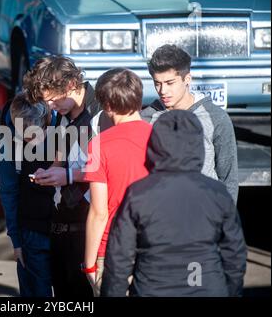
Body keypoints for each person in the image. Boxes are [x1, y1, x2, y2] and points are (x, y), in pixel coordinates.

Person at [101, 110, 247, 297]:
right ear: (197, 145)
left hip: (152, 289)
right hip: (206, 287)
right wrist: (231, 291)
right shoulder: (217, 194)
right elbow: (235, 254)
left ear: (154, 145)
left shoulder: (138, 194)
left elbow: (119, 257)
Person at [24, 55, 113, 297]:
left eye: (53, 100)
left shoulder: (102, 114)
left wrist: (69, 176)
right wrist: (51, 171)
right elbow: (61, 157)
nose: (51, 107)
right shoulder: (64, 115)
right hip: (61, 222)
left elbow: (111, 170)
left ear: (72, 84)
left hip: (89, 227)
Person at [82, 68, 152, 297]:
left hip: (113, 248)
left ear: (108, 106)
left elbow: (98, 211)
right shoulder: (160, 137)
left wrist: (89, 264)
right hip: (153, 245)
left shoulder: (98, 145)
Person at [141, 44, 238, 204]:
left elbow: (229, 178)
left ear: (187, 79)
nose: (162, 90)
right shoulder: (147, 118)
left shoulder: (216, 117)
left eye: (170, 83)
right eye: (157, 83)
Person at [0, 92, 56, 296]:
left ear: (48, 119)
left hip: (66, 228)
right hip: (31, 231)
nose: (31, 142)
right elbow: (9, 192)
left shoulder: (64, 121)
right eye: (26, 137)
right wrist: (16, 241)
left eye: (36, 135)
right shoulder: (8, 141)